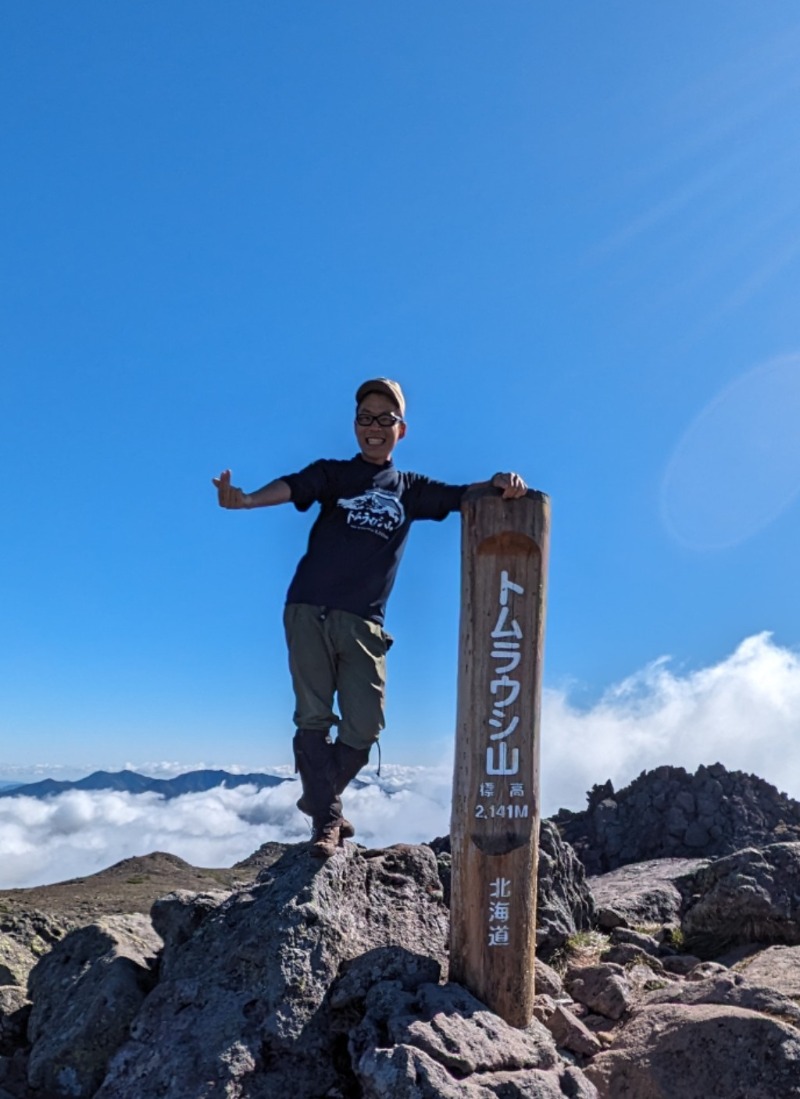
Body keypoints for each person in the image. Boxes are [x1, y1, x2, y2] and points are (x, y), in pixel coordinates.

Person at [212, 378, 527, 858]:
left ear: (402, 430)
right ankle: (327, 820)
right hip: (307, 608)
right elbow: (295, 485)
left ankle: (318, 796)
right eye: (366, 418)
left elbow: (463, 496)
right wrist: (248, 499)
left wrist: (499, 483)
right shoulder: (334, 474)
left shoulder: (411, 489)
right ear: (355, 426)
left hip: (364, 622)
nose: (375, 427)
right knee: (313, 716)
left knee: (365, 724)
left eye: (386, 418)